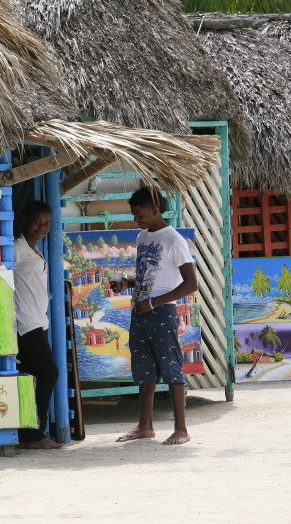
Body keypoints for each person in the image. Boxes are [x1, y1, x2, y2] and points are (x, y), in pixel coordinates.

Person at [112, 187, 197, 445]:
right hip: (141, 310)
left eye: (140, 214)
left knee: (171, 369)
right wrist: (127, 284)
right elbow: (149, 277)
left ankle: (181, 429)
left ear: (155, 210)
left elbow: (190, 284)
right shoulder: (142, 237)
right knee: (144, 370)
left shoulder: (173, 240)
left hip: (161, 312)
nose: (137, 219)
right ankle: (145, 426)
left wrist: (154, 302)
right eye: (134, 215)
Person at [13, 201, 62, 449]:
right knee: (49, 372)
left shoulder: (34, 249)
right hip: (24, 322)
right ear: (25, 220)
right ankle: (34, 435)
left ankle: (26, 435)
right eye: (37, 222)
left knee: (33, 377)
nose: (42, 228)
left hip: (37, 321)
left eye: (46, 224)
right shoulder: (17, 248)